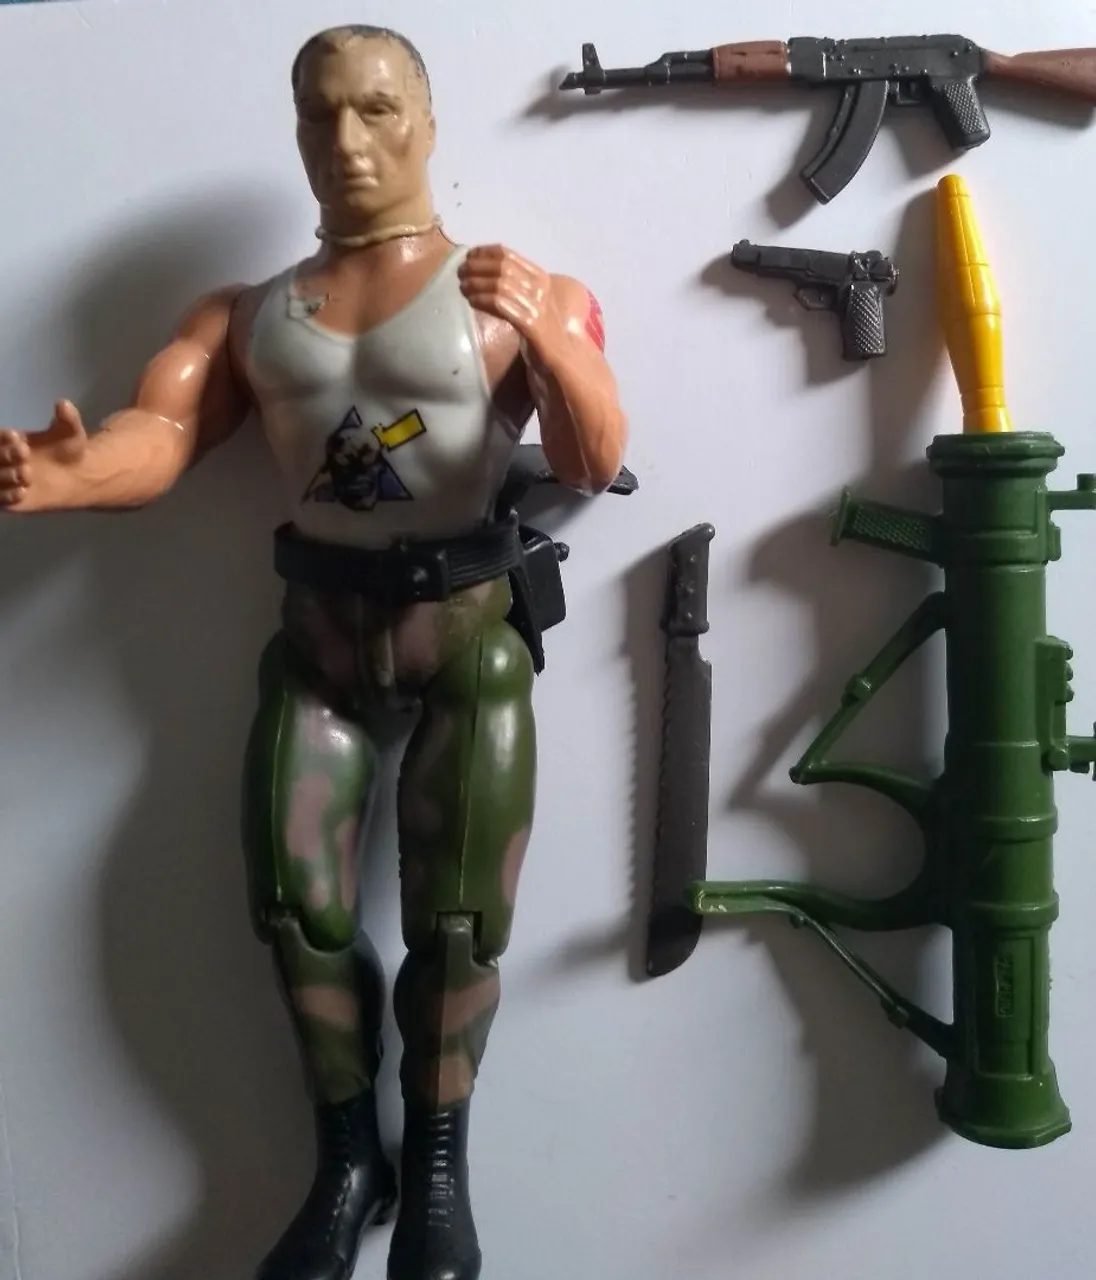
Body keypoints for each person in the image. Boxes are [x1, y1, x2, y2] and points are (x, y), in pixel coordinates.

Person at [0, 23, 629, 1280]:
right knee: (294, 913)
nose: (347, 140)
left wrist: (553, 343)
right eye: (319, 113)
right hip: (318, 641)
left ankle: (437, 1168)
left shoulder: (518, 291)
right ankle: (348, 1160)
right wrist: (73, 477)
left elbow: (589, 458)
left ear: (427, 123)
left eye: (377, 110)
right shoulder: (247, 315)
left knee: (460, 923)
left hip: (465, 639)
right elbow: (160, 432)